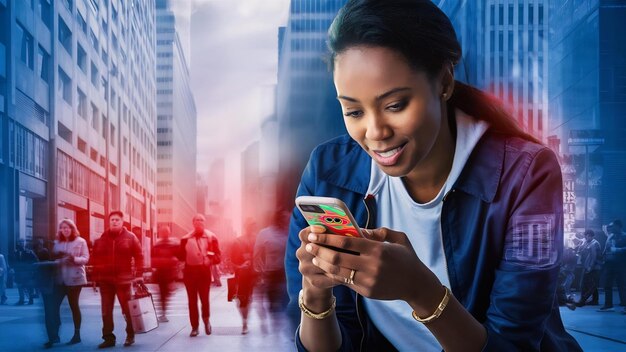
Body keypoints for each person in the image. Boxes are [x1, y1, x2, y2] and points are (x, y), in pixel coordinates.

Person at [285, 1, 582, 350]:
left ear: (443, 81)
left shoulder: (527, 174)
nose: (375, 131)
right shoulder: (328, 171)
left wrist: (420, 290)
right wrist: (317, 295)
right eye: (353, 111)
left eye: (395, 105)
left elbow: (512, 344)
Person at [91, 211, 143, 348]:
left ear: (122, 222)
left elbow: (139, 256)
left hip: (123, 280)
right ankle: (108, 338)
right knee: (106, 310)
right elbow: (96, 258)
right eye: (112, 220)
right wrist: (95, 277)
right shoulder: (102, 238)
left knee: (127, 310)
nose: (114, 222)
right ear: (109, 222)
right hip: (106, 281)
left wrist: (139, 275)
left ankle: (130, 334)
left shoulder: (131, 237)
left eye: (117, 220)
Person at [178, 214, 221, 337]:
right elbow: (180, 256)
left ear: (204, 223)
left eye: (201, 220)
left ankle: (206, 320)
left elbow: (217, 255)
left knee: (204, 299)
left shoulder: (211, 237)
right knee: (192, 301)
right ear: (193, 223)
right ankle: (194, 327)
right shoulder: (185, 238)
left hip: (204, 272)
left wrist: (210, 260)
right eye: (196, 220)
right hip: (190, 272)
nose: (199, 222)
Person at [50, 219, 90, 345]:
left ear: (73, 229)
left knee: (74, 306)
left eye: (68, 227)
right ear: (60, 230)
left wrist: (74, 259)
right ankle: (54, 335)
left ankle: (76, 334)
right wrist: (59, 261)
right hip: (60, 279)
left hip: (75, 278)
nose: (65, 230)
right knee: (53, 306)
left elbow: (85, 258)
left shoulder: (81, 241)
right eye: (63, 228)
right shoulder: (57, 243)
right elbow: (53, 258)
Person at [254, 209, 289, 313]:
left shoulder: (291, 233)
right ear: (278, 219)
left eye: (288, 218)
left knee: (286, 305)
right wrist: (261, 273)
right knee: (274, 307)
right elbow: (256, 256)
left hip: (288, 275)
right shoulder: (265, 234)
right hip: (271, 274)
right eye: (284, 218)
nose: (287, 221)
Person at [231, 219, 258, 334]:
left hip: (254, 274)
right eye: (249, 226)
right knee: (242, 299)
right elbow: (231, 260)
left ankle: (245, 321)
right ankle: (244, 321)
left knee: (248, 299)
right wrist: (240, 266)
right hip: (241, 275)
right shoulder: (237, 241)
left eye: (253, 226)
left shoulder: (258, 239)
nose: (251, 228)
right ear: (245, 226)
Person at [598, 219, 626, 312]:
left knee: (621, 285)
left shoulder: (624, 236)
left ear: (618, 226)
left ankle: (625, 305)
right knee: (607, 284)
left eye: (613, 226)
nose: (611, 228)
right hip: (609, 264)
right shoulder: (610, 235)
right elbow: (607, 247)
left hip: (620, 264)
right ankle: (608, 305)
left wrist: (616, 250)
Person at [152, 225, 179, 323]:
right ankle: (163, 313)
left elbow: (178, 258)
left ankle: (163, 313)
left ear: (169, 233)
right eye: (163, 232)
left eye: (166, 232)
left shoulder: (173, 245)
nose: (164, 234)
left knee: (165, 294)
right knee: (162, 295)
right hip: (161, 273)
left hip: (169, 274)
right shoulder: (157, 245)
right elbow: (153, 260)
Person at [575, 230, 602, 307]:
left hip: (593, 267)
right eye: (585, 236)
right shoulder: (587, 242)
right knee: (592, 284)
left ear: (590, 235)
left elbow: (594, 257)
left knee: (587, 285)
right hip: (588, 266)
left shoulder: (594, 243)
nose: (586, 237)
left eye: (587, 236)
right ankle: (595, 300)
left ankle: (582, 300)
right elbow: (581, 251)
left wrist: (590, 267)